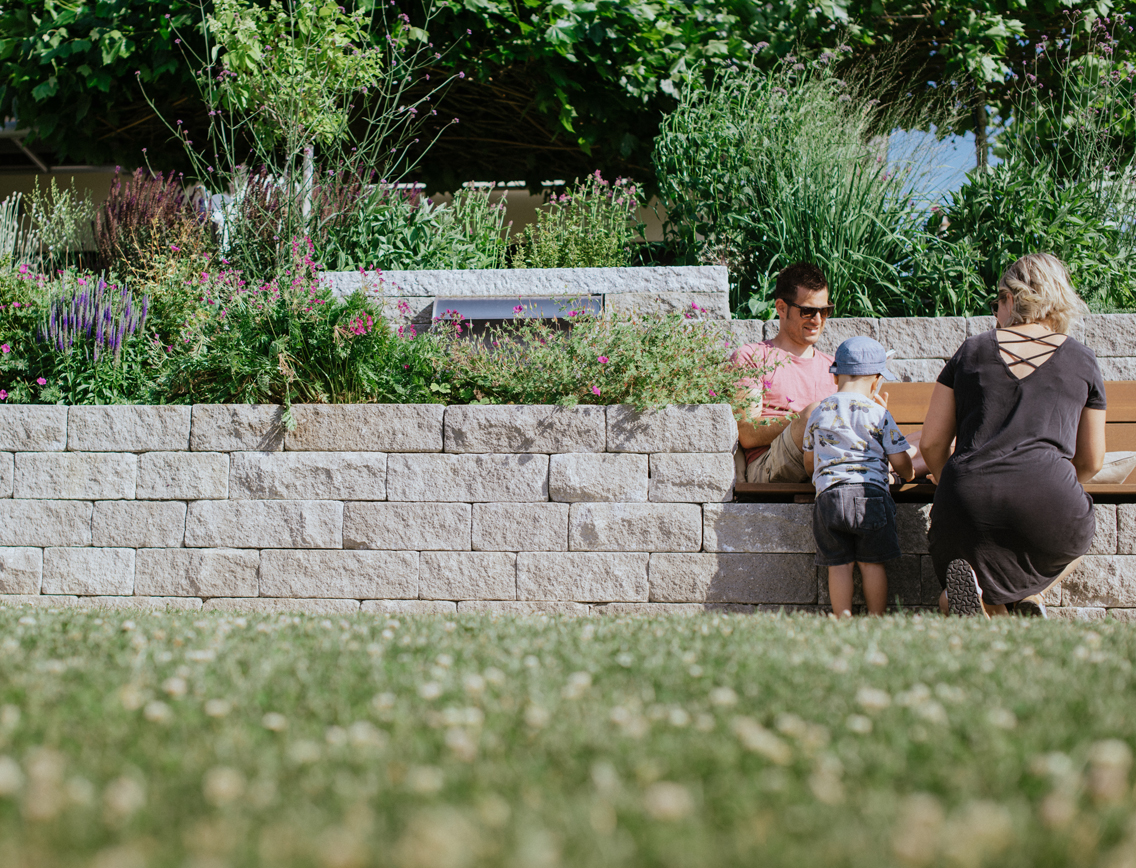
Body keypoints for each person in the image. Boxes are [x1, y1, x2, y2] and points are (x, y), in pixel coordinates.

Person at [919, 253, 1107, 618]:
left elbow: (931, 443)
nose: (995, 315)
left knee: (967, 574)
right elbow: (1091, 460)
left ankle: (975, 601)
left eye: (996, 303)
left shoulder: (971, 350)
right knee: (1076, 537)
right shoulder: (1082, 359)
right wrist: (1058, 484)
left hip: (967, 500)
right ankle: (1031, 597)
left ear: (1010, 298)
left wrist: (948, 484)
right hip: (1048, 499)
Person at [803, 337, 915, 616]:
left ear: (835, 376)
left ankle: (842, 619)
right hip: (870, 496)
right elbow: (901, 461)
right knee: (872, 563)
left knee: (839, 565)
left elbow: (809, 461)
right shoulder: (878, 412)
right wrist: (909, 473)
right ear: (876, 380)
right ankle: (875, 619)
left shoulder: (818, 411)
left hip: (829, 498)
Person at [734, 263, 838, 483]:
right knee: (814, 414)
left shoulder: (836, 366)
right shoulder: (752, 357)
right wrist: (803, 420)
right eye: (808, 311)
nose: (818, 320)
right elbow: (747, 433)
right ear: (781, 308)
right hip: (770, 463)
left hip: (830, 457)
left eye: (825, 310)